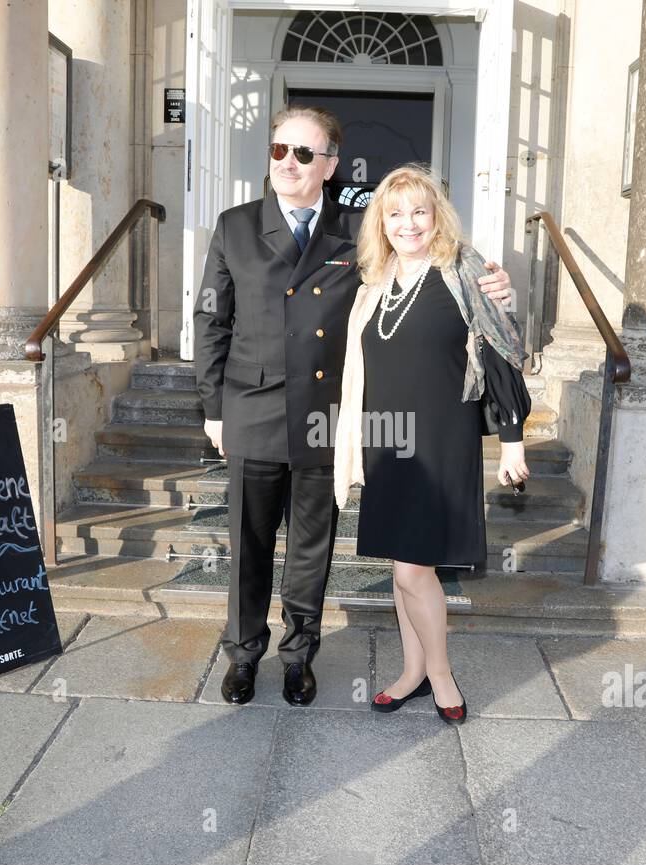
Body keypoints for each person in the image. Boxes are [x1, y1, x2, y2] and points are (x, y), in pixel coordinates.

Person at [192, 107, 513, 707]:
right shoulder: (235, 226)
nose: (288, 163)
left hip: (326, 413)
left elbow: (425, 267)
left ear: (330, 165)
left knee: (313, 546)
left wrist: (495, 285)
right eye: (279, 150)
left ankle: (298, 656)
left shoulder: (356, 232)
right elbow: (211, 319)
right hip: (253, 408)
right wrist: (213, 407)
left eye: (304, 154)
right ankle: (242, 654)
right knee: (249, 544)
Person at [333, 164, 531, 724]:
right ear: (381, 222)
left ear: (436, 215)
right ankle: (412, 672)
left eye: (419, 211)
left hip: (442, 437)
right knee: (404, 564)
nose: (408, 223)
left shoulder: (463, 268)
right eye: (395, 213)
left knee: (412, 571)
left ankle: (440, 674)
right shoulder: (373, 278)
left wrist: (513, 443)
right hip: (387, 440)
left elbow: (501, 352)